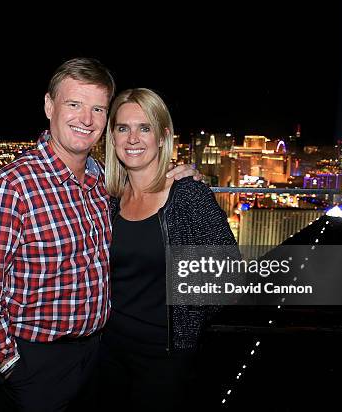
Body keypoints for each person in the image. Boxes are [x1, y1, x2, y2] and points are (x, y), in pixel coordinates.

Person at [0, 58, 200, 411]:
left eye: (98, 109)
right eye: (74, 104)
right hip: (34, 364)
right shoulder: (13, 187)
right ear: (48, 106)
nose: (86, 119)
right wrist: (9, 365)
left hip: (98, 357)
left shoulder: (101, 180)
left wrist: (176, 176)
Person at [100, 88, 237, 410]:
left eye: (144, 128)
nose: (133, 138)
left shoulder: (188, 196)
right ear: (113, 137)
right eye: (123, 128)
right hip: (106, 351)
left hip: (163, 357)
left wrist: (186, 324)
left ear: (162, 137)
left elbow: (227, 277)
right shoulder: (109, 199)